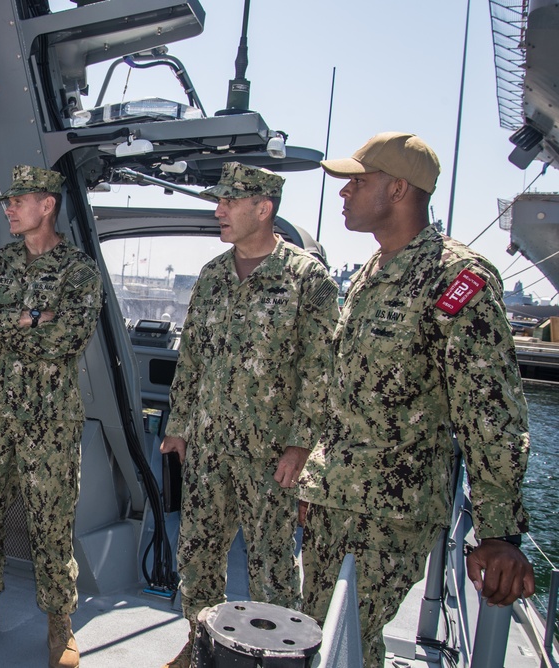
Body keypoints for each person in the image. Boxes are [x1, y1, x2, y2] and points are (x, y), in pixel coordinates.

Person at [299, 132, 534, 666]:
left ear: (399, 189)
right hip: (337, 499)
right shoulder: (371, 273)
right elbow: (346, 393)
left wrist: (498, 532)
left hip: (390, 511)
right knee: (324, 632)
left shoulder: (455, 277)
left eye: (357, 183)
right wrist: (317, 478)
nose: (344, 194)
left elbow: (489, 409)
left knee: (348, 641)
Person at [158, 163, 339, 668]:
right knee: (196, 560)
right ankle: (198, 649)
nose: (219, 211)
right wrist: (178, 426)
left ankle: (274, 659)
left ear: (264, 209)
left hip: (271, 458)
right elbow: (191, 356)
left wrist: (302, 446)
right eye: (219, 201)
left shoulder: (309, 280)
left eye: (230, 202)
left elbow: (320, 371)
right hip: (209, 450)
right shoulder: (214, 275)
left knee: (273, 569)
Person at [0, 165, 102, 668]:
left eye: (19, 201)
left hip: (50, 415)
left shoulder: (80, 271)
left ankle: (60, 623)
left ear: (47, 205)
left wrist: (7, 325)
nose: (10, 209)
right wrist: (33, 318)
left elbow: (69, 338)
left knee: (52, 520)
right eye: (8, 202)